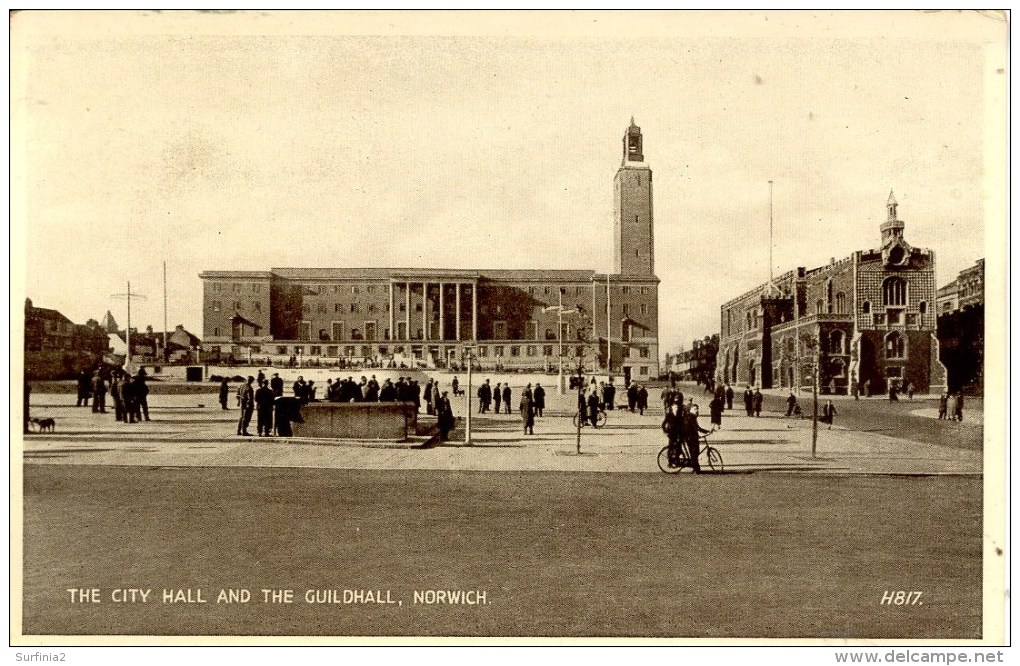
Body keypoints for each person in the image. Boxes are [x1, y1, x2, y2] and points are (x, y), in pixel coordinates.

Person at [683, 403, 711, 474]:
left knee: (695, 453)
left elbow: (698, 428)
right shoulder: (690, 417)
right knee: (695, 453)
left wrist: (706, 431)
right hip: (691, 438)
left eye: (697, 409)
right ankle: (696, 469)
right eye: (695, 409)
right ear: (690, 410)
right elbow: (692, 428)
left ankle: (695, 467)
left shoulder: (692, 417)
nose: (697, 410)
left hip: (692, 437)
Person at [661, 402, 684, 466]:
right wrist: (665, 431)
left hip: (679, 433)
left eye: (677, 407)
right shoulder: (669, 415)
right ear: (672, 407)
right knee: (671, 447)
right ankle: (670, 462)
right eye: (675, 407)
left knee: (679, 447)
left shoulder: (679, 415)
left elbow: (682, 424)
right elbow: (663, 424)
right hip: (671, 434)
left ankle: (677, 460)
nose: (676, 408)